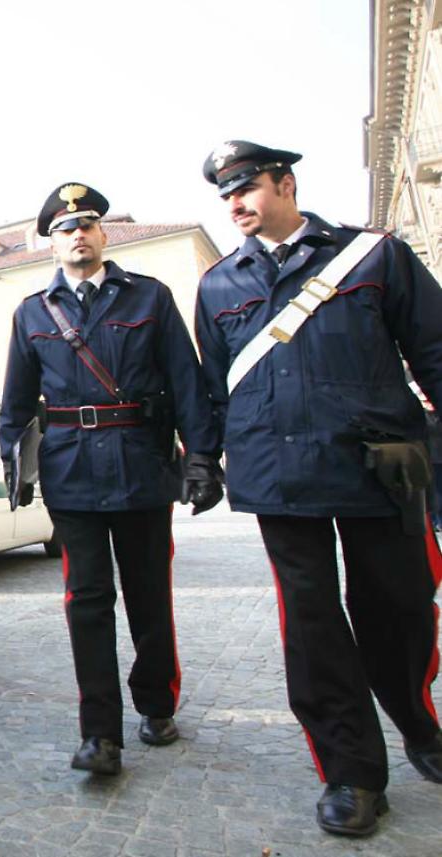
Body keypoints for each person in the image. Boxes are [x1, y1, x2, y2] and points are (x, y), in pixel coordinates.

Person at [194, 140, 442, 837]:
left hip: (376, 466)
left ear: (286, 183)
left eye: (247, 188)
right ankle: (352, 771)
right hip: (278, 475)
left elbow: (434, 348)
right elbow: (214, 386)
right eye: (226, 195)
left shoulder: (373, 256)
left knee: (399, 608)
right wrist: (205, 458)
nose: (236, 204)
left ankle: (416, 719)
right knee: (313, 626)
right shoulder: (218, 285)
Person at [0, 182, 223, 776]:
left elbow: (186, 382)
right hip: (72, 476)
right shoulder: (32, 313)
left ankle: (156, 704)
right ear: (51, 244)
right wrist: (15, 468)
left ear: (103, 234)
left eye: (87, 225)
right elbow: (15, 403)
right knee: (88, 603)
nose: (77, 235)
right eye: (65, 229)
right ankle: (99, 735)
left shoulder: (149, 297)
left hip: (142, 468)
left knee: (149, 596)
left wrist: (202, 457)